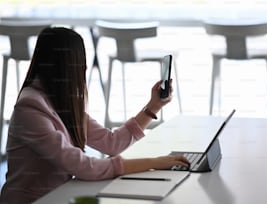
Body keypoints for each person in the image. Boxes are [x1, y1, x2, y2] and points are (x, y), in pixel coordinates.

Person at [0, 27, 189, 204]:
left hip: (59, 195)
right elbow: (83, 166)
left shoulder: (57, 98)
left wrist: (154, 106)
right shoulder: (30, 107)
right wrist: (155, 163)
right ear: (71, 66)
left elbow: (111, 143)